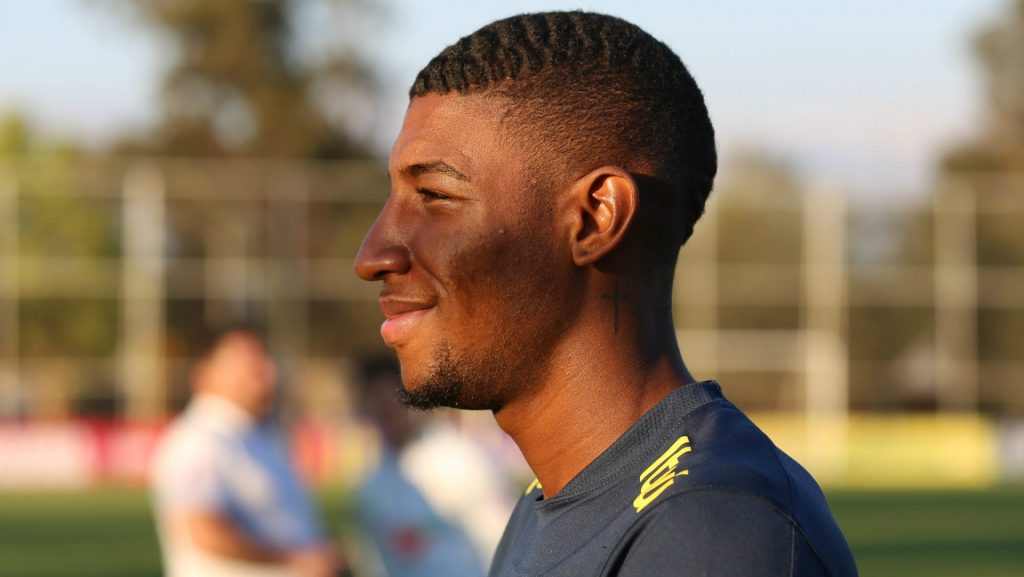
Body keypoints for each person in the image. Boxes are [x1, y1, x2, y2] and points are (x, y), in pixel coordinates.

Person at [354, 10, 858, 577]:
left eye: (435, 196)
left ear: (596, 218)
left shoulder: (710, 531)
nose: (372, 255)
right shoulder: (548, 506)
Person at [151, 329, 341, 577]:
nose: (266, 371)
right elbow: (203, 531)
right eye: (248, 361)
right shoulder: (197, 441)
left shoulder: (256, 433)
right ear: (205, 373)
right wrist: (295, 560)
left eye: (264, 358)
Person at [355, 357, 511, 577]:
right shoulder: (371, 486)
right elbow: (376, 560)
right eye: (375, 404)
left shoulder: (460, 458)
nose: (385, 413)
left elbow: (500, 535)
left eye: (389, 402)